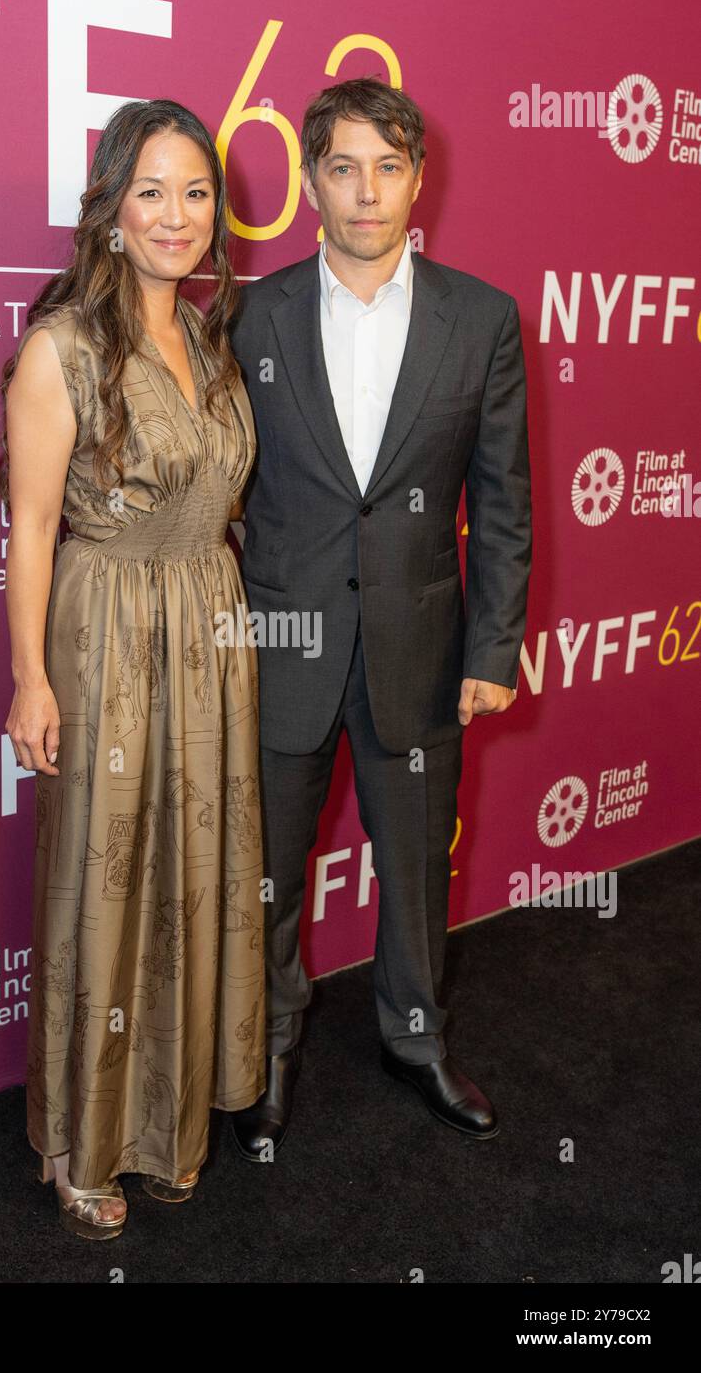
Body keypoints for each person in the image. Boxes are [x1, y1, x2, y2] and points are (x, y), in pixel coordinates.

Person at [228, 77, 532, 1158]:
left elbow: (501, 499)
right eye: (342, 167)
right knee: (262, 870)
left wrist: (493, 646)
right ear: (309, 180)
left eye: (386, 167)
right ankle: (258, 1051)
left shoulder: (481, 318)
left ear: (418, 180)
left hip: (421, 642)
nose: (365, 192)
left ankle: (414, 1038)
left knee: (414, 865)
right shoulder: (247, 313)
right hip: (278, 645)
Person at [0, 99, 266, 1239]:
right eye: (148, 191)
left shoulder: (206, 336)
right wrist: (29, 679)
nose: (175, 215)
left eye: (195, 191)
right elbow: (36, 527)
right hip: (103, 635)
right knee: (104, 887)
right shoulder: (60, 346)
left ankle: (163, 1116)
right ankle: (79, 1140)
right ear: (108, 209)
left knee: (192, 875)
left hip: (207, 622)